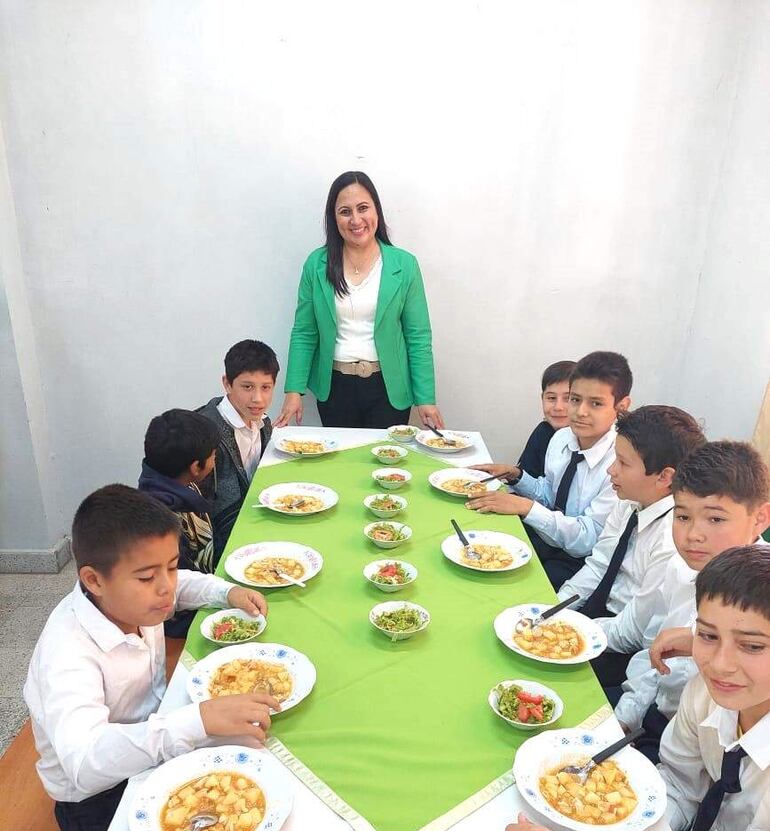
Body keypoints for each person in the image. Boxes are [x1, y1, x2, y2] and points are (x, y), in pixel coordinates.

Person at [504, 546, 770, 831]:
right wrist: (593, 822)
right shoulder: (705, 696)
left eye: (752, 646)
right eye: (707, 636)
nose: (721, 664)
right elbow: (681, 787)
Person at [23, 485, 278, 831]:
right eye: (146, 578)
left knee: (259, 777)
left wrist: (227, 593)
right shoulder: (67, 653)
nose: (166, 588)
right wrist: (198, 722)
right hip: (97, 798)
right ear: (94, 580)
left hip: (155, 736)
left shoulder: (135, 599)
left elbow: (184, 586)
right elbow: (85, 764)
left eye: (172, 566)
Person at [613, 441, 770, 762]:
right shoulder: (680, 567)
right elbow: (656, 659)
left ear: (760, 518)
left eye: (715, 520)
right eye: (682, 516)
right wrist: (625, 718)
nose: (693, 534)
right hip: (659, 717)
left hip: (717, 751)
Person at [274, 171, 444, 431]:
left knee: (385, 468)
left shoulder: (404, 265)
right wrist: (293, 390)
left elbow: (418, 336)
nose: (356, 220)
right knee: (340, 467)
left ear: (377, 210)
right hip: (335, 388)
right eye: (345, 211)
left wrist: (426, 398)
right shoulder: (316, 265)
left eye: (363, 208)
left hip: (389, 389)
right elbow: (305, 332)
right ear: (334, 218)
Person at [557, 406, 706, 690]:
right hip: (596, 620)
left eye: (623, 463)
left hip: (620, 649)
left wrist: (567, 631)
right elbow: (598, 566)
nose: (611, 470)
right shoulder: (627, 502)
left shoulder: (673, 537)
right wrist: (555, 607)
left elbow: (634, 631)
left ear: (665, 477)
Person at [468, 351, 632, 588]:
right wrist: (517, 476)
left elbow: (587, 539)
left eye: (595, 403)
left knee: (509, 586)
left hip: (581, 562)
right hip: (548, 539)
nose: (580, 411)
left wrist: (526, 507)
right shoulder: (562, 438)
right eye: (575, 399)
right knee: (481, 546)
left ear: (622, 406)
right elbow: (550, 494)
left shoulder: (620, 463)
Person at [138, 408, 220, 637]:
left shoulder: (179, 482)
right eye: (214, 456)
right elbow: (177, 589)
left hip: (205, 585)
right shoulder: (163, 521)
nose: (216, 461)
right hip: (182, 621)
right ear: (196, 467)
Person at [199, 339, 278, 560]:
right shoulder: (207, 435)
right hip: (225, 548)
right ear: (227, 383)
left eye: (266, 387)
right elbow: (206, 513)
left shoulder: (264, 423)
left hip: (257, 523)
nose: (257, 399)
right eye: (247, 387)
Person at [517, 360, 577, 478]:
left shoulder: (586, 442)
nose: (558, 407)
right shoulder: (543, 431)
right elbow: (526, 478)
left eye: (568, 398)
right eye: (551, 398)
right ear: (542, 398)